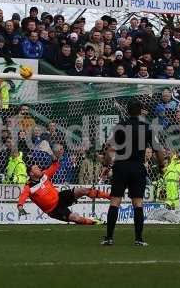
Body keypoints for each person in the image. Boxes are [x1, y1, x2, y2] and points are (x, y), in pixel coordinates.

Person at [101, 100, 165, 246]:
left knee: (115, 201)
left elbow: (110, 149)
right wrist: (162, 166)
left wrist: (106, 164)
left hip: (120, 167)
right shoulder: (147, 128)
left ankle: (109, 238)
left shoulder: (119, 127)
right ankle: (138, 239)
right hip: (137, 168)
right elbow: (158, 150)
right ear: (140, 111)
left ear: (128, 111)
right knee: (137, 202)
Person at [17, 146, 110, 224]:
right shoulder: (28, 187)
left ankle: (110, 196)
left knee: (83, 190)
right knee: (76, 218)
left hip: (60, 197)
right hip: (53, 210)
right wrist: (20, 207)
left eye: (38, 167)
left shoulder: (44, 175)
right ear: (31, 174)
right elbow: (22, 197)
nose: (39, 169)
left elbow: (55, 165)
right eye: (36, 169)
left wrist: (53, 156)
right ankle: (95, 222)